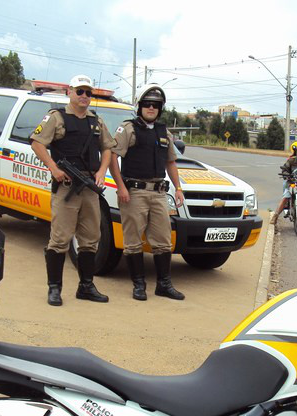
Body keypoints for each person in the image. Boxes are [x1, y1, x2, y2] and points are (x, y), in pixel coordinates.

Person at [30, 75, 115, 306]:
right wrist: (54, 168)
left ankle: (86, 286)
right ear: (70, 92)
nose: (85, 96)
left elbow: (107, 148)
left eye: (88, 92)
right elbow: (37, 142)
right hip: (66, 187)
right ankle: (54, 289)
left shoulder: (96, 121)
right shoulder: (57, 117)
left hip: (89, 187)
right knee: (59, 239)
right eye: (80, 91)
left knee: (90, 239)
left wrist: (102, 172)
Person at [109, 83, 185, 301]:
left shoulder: (164, 132)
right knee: (133, 241)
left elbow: (171, 161)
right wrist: (120, 186)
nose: (151, 108)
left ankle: (164, 284)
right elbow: (113, 156)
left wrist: (178, 188)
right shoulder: (128, 128)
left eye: (156, 105)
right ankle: (139, 285)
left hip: (159, 193)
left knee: (163, 241)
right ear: (140, 106)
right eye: (147, 104)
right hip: (134, 193)